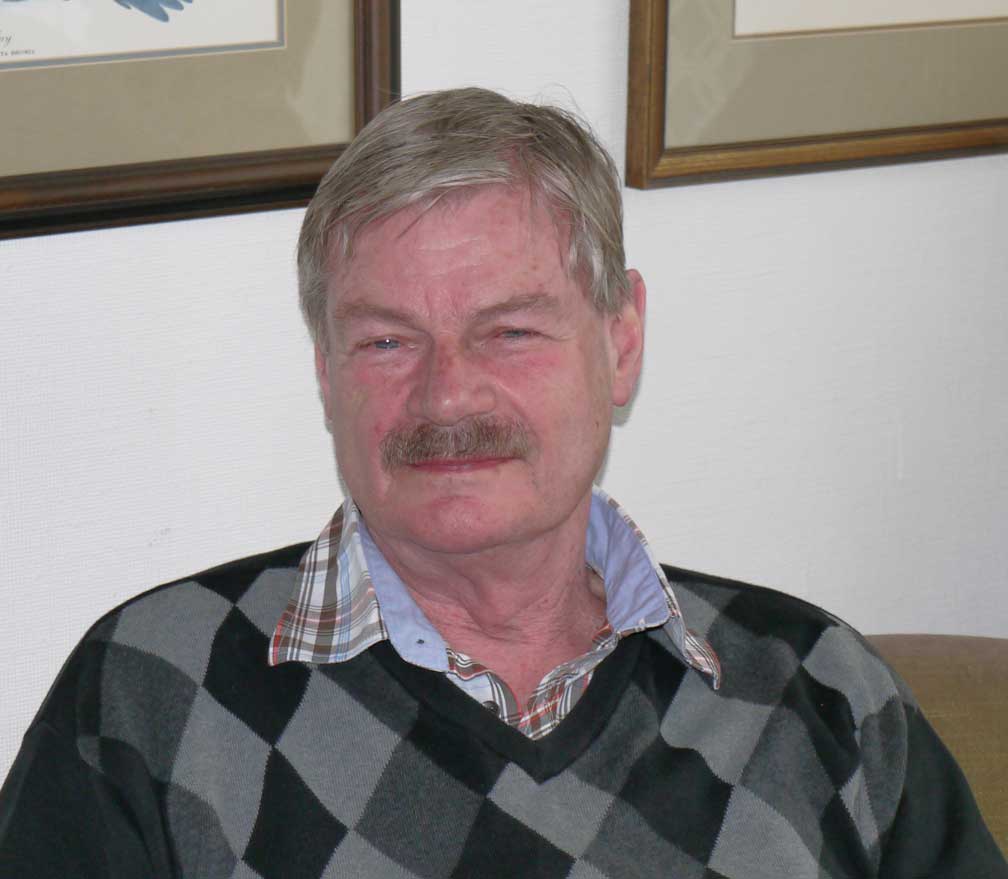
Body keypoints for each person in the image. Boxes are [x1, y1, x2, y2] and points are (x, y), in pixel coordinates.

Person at [1, 88, 1004, 879]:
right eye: (388, 341)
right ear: (327, 371)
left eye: (510, 331)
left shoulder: (816, 690)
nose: (447, 395)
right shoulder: (155, 694)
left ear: (621, 343)